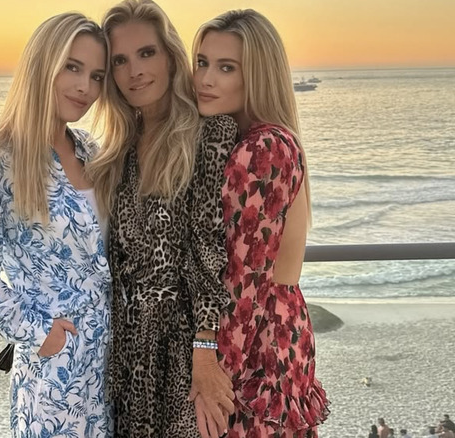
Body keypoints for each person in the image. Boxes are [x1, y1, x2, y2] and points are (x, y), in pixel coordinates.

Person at [0, 12, 111, 438]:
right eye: (72, 67)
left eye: (96, 75)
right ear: (43, 64)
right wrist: (36, 331)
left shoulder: (90, 149)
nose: (85, 88)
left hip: (112, 365)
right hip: (55, 377)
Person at [86, 1, 238, 437]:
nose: (135, 70)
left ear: (170, 56)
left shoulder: (209, 133)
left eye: (146, 53)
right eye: (120, 60)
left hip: (183, 349)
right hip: (126, 350)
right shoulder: (120, 151)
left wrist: (206, 352)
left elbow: (210, 252)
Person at [192, 9, 329, 437]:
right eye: (202, 62)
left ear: (258, 76)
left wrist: (209, 377)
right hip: (281, 331)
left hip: (256, 343)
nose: (206, 79)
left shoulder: (263, 148)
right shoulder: (276, 139)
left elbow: (243, 280)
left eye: (226, 67)